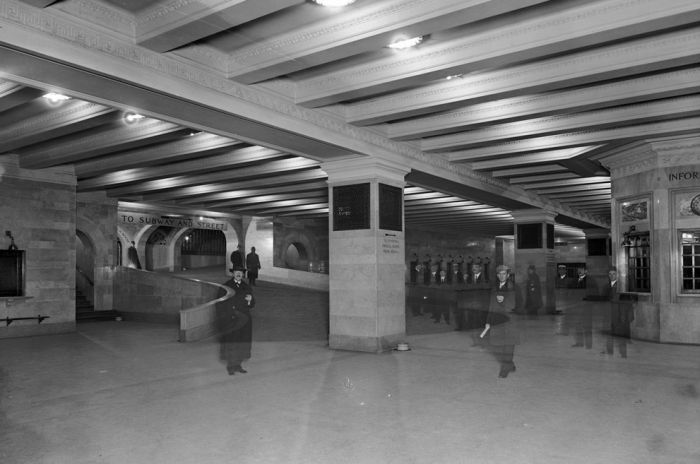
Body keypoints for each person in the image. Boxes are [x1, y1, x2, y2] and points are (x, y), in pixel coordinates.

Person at [483, 265, 521, 378]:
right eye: (499, 274)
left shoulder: (514, 288)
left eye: (504, 274)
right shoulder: (495, 288)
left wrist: (504, 301)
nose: (501, 276)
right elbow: (491, 305)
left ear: (508, 275)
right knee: (499, 345)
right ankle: (510, 364)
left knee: (508, 344)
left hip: (510, 321)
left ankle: (505, 369)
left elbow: (519, 305)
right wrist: (488, 321)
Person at [218, 266, 256, 375]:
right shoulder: (226, 286)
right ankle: (231, 366)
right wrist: (224, 317)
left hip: (244, 320)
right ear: (233, 273)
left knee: (241, 342)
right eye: (236, 272)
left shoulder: (246, 286)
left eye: (241, 272)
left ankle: (238, 364)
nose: (239, 274)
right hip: (231, 320)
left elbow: (252, 303)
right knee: (232, 342)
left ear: (243, 274)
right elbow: (220, 303)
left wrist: (250, 300)